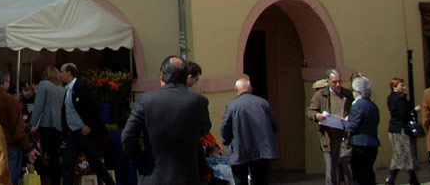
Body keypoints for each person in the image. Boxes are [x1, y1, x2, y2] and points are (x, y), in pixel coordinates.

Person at [121, 55, 210, 185]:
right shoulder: (199, 101)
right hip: (187, 176)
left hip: (153, 175)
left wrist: (143, 163)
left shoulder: (146, 101)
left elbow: (127, 137)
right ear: (186, 78)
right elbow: (204, 129)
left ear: (162, 76)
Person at [60, 62, 115, 185]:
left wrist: (89, 125)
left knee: (95, 162)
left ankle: (110, 183)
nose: (60, 75)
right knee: (68, 163)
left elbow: (95, 107)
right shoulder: (68, 90)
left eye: (62, 72)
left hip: (84, 132)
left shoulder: (81, 87)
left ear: (69, 73)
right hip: (73, 133)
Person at [220, 76, 279, 185]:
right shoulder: (263, 103)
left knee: (240, 180)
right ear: (250, 89)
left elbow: (225, 127)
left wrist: (227, 141)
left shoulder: (232, 105)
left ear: (236, 90)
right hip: (262, 150)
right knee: (261, 180)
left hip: (239, 149)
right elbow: (274, 125)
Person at [307, 68, 355, 185]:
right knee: (331, 169)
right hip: (328, 136)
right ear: (327, 81)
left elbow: (354, 110)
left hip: (344, 136)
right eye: (334, 82)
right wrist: (317, 115)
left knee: (347, 167)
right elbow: (310, 111)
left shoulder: (347, 94)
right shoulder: (320, 95)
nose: (337, 84)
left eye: (339, 81)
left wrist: (349, 116)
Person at [0, 70, 36, 185]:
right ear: (5, 83)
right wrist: (28, 148)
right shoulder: (10, 100)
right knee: (9, 179)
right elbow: (18, 131)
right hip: (9, 146)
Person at [30, 65, 65, 185]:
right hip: (58, 125)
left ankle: (38, 181)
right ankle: (55, 182)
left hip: (45, 123)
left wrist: (33, 123)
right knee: (55, 157)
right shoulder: (62, 89)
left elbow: (38, 105)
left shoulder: (44, 84)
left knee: (40, 154)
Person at [385, 77, 420, 185]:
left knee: (404, 153)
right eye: (401, 86)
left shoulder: (391, 97)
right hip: (400, 130)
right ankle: (392, 178)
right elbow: (403, 114)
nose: (404, 88)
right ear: (394, 87)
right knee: (402, 153)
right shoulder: (399, 99)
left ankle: (412, 179)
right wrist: (415, 111)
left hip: (394, 128)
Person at [347, 76, 380, 185]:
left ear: (358, 91)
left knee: (359, 175)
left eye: (354, 90)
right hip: (373, 143)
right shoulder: (373, 105)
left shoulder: (358, 105)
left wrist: (345, 122)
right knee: (369, 172)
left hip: (360, 144)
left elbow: (353, 125)